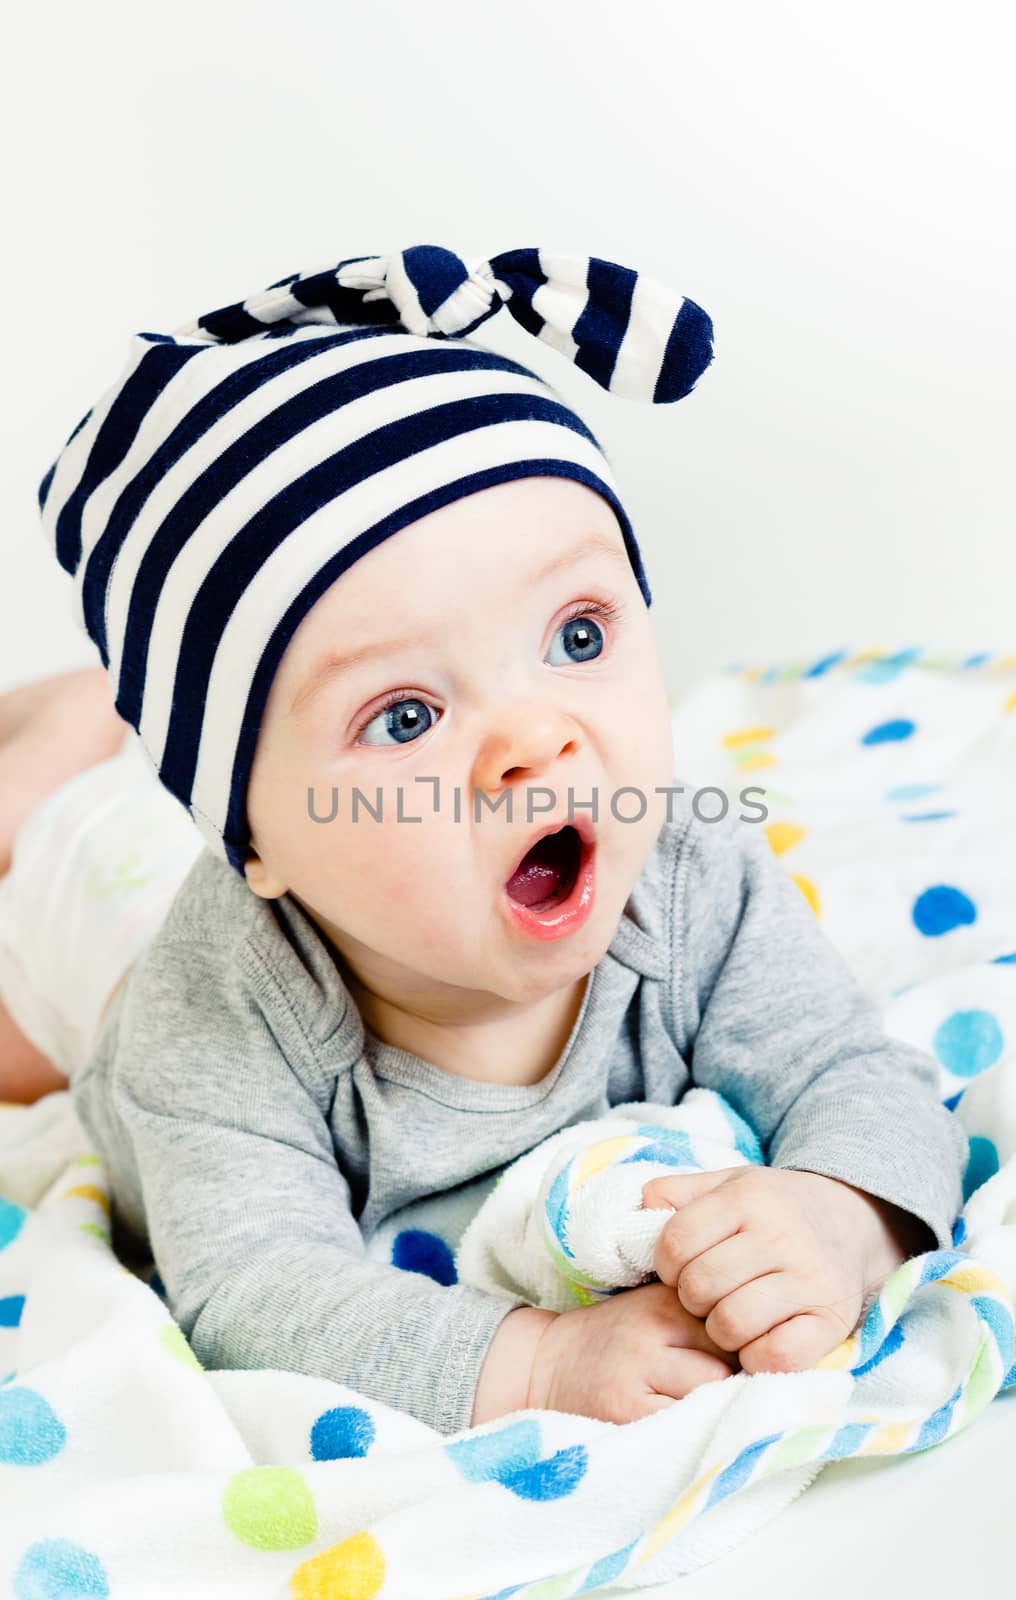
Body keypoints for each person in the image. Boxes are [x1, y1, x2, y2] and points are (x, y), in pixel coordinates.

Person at [5, 243, 967, 1436]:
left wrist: (839, 1210)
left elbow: (850, 1071)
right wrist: (536, 1365)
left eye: (575, 635)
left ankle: (98, 715)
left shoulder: (687, 882)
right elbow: (248, 1283)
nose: (534, 741)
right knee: (31, 977)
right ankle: (59, 742)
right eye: (404, 715)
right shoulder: (217, 1016)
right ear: (257, 842)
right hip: (100, 919)